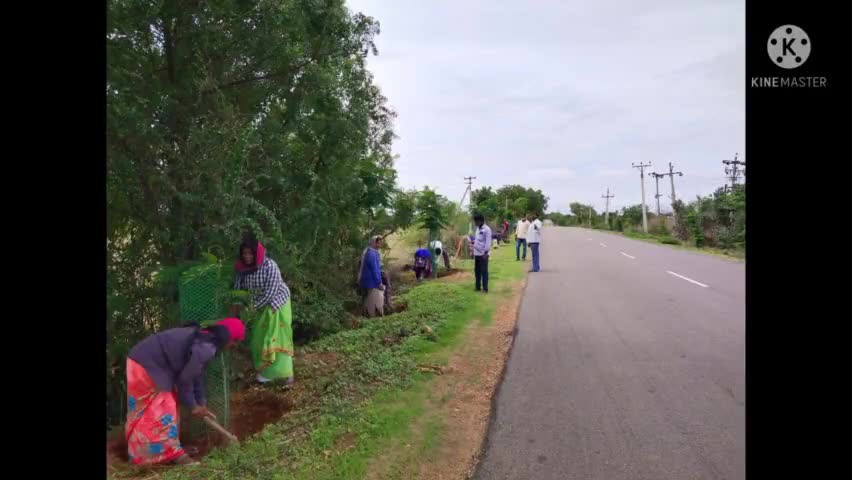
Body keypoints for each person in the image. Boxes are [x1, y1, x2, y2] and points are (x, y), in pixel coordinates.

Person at [125, 318, 246, 466]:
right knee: (163, 408)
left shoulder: (204, 340)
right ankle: (171, 454)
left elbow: (196, 374)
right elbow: (185, 380)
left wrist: (201, 403)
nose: (232, 347)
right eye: (235, 343)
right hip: (145, 364)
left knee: (163, 406)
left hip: (143, 361)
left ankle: (167, 448)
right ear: (229, 338)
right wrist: (193, 406)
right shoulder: (206, 347)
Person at [234, 238, 295, 386]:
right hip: (255, 308)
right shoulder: (241, 269)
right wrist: (237, 304)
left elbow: (271, 292)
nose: (247, 257)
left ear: (257, 254)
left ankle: (286, 375)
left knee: (277, 337)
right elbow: (237, 288)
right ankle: (266, 372)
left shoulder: (270, 266)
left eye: (250, 253)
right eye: (244, 254)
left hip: (276, 304)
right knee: (259, 340)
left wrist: (251, 309)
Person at [358, 235, 385, 317]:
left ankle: (365, 314)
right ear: (374, 243)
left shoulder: (369, 252)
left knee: (367, 298)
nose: (380, 245)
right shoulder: (372, 254)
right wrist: (379, 282)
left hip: (366, 280)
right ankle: (371, 316)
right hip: (371, 281)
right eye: (379, 243)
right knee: (371, 299)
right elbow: (375, 269)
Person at [472, 213, 492, 292]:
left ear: (480, 221)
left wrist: (486, 253)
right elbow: (477, 240)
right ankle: (477, 287)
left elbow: (488, 242)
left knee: (484, 271)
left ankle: (485, 288)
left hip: (483, 254)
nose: (475, 223)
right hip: (476, 253)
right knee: (477, 271)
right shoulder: (477, 229)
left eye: (476, 221)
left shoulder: (487, 229)